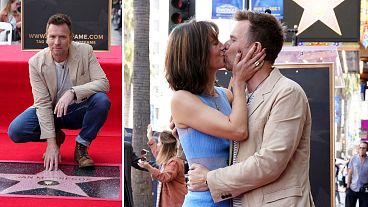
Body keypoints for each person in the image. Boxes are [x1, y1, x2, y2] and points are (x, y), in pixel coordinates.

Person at [187, 10, 314, 206]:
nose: (224, 46)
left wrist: (209, 179)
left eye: (232, 39)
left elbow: (270, 163)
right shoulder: (240, 98)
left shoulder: (287, 93)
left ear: (254, 49)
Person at [165, 19, 265, 207]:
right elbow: (238, 130)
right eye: (214, 43)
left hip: (230, 197)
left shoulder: (225, 95)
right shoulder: (181, 99)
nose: (223, 46)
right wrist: (239, 80)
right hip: (204, 201)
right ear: (197, 54)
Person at [7, 13, 110, 171]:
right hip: (50, 110)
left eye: (62, 37)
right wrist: (51, 142)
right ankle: (57, 135)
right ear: (46, 37)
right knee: (16, 131)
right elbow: (42, 103)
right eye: (52, 36)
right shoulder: (36, 62)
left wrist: (73, 92)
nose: (57, 42)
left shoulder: (85, 51)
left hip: (77, 110)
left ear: (70, 37)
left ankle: (81, 147)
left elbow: (104, 83)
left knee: (102, 100)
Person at [139, 126, 187, 207]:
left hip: (175, 202)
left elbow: (165, 177)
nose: (157, 145)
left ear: (164, 146)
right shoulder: (168, 158)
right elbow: (156, 152)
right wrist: (150, 137)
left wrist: (149, 168)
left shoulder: (174, 162)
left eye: (159, 142)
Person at [345, 142, 368, 207]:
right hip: (352, 188)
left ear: (367, 150)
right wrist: (348, 188)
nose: (361, 149)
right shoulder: (353, 158)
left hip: (364, 190)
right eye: (360, 148)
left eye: (364, 148)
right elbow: (349, 174)